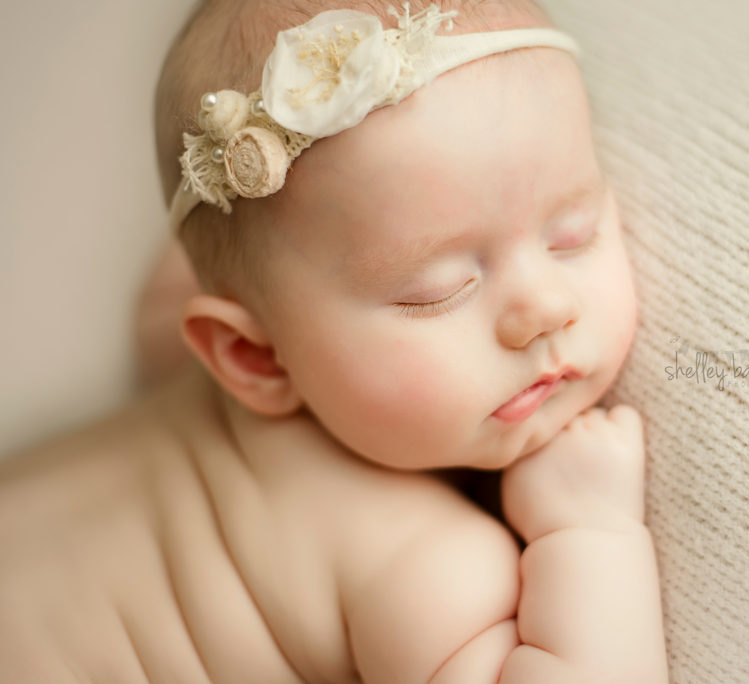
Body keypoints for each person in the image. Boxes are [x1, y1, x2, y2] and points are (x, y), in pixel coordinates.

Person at [0, 0, 669, 681]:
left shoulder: (181, 349)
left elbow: (169, 292)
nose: (546, 309)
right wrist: (588, 533)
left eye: (572, 233)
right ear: (254, 357)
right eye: (436, 291)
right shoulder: (417, 563)